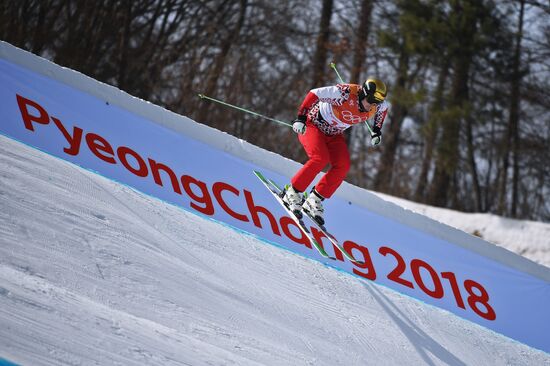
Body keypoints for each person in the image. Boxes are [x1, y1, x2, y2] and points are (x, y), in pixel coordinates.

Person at [282, 78, 389, 226]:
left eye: (376, 102)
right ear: (364, 93)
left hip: (333, 133)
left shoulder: (377, 105)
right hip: (313, 124)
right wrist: (300, 117)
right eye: (371, 100)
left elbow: (383, 110)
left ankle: (315, 199)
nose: (373, 105)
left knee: (343, 166)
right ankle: (292, 192)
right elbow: (314, 93)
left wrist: (377, 130)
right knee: (320, 158)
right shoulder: (344, 93)